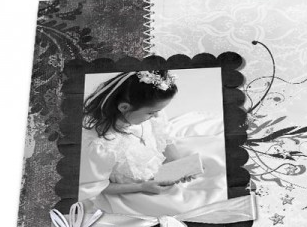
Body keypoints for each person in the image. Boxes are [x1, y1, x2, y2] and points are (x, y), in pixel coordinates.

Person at [79, 70, 228, 216]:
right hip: (130, 189)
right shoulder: (101, 146)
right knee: (186, 207)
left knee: (217, 170)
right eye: (151, 112)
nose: (156, 115)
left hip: (159, 173)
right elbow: (96, 187)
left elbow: (163, 137)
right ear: (124, 107)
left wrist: (178, 165)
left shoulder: (151, 115)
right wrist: (142, 187)